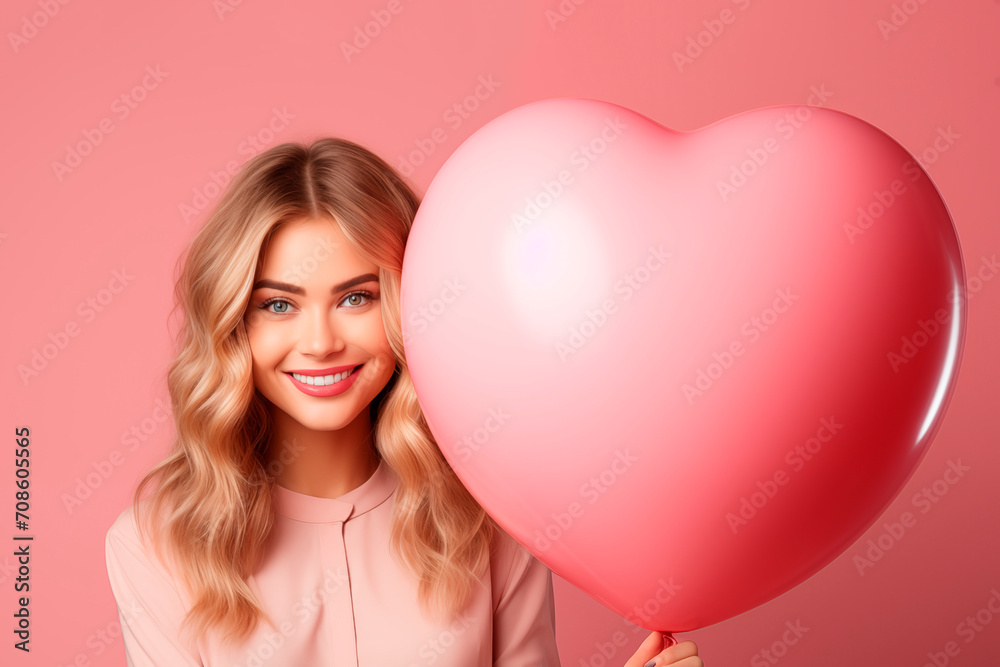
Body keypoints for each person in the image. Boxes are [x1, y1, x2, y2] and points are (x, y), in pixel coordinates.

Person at [104, 137, 703, 667]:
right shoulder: (155, 546)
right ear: (234, 321)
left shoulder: (491, 520)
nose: (320, 343)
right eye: (278, 305)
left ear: (409, 303)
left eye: (357, 298)